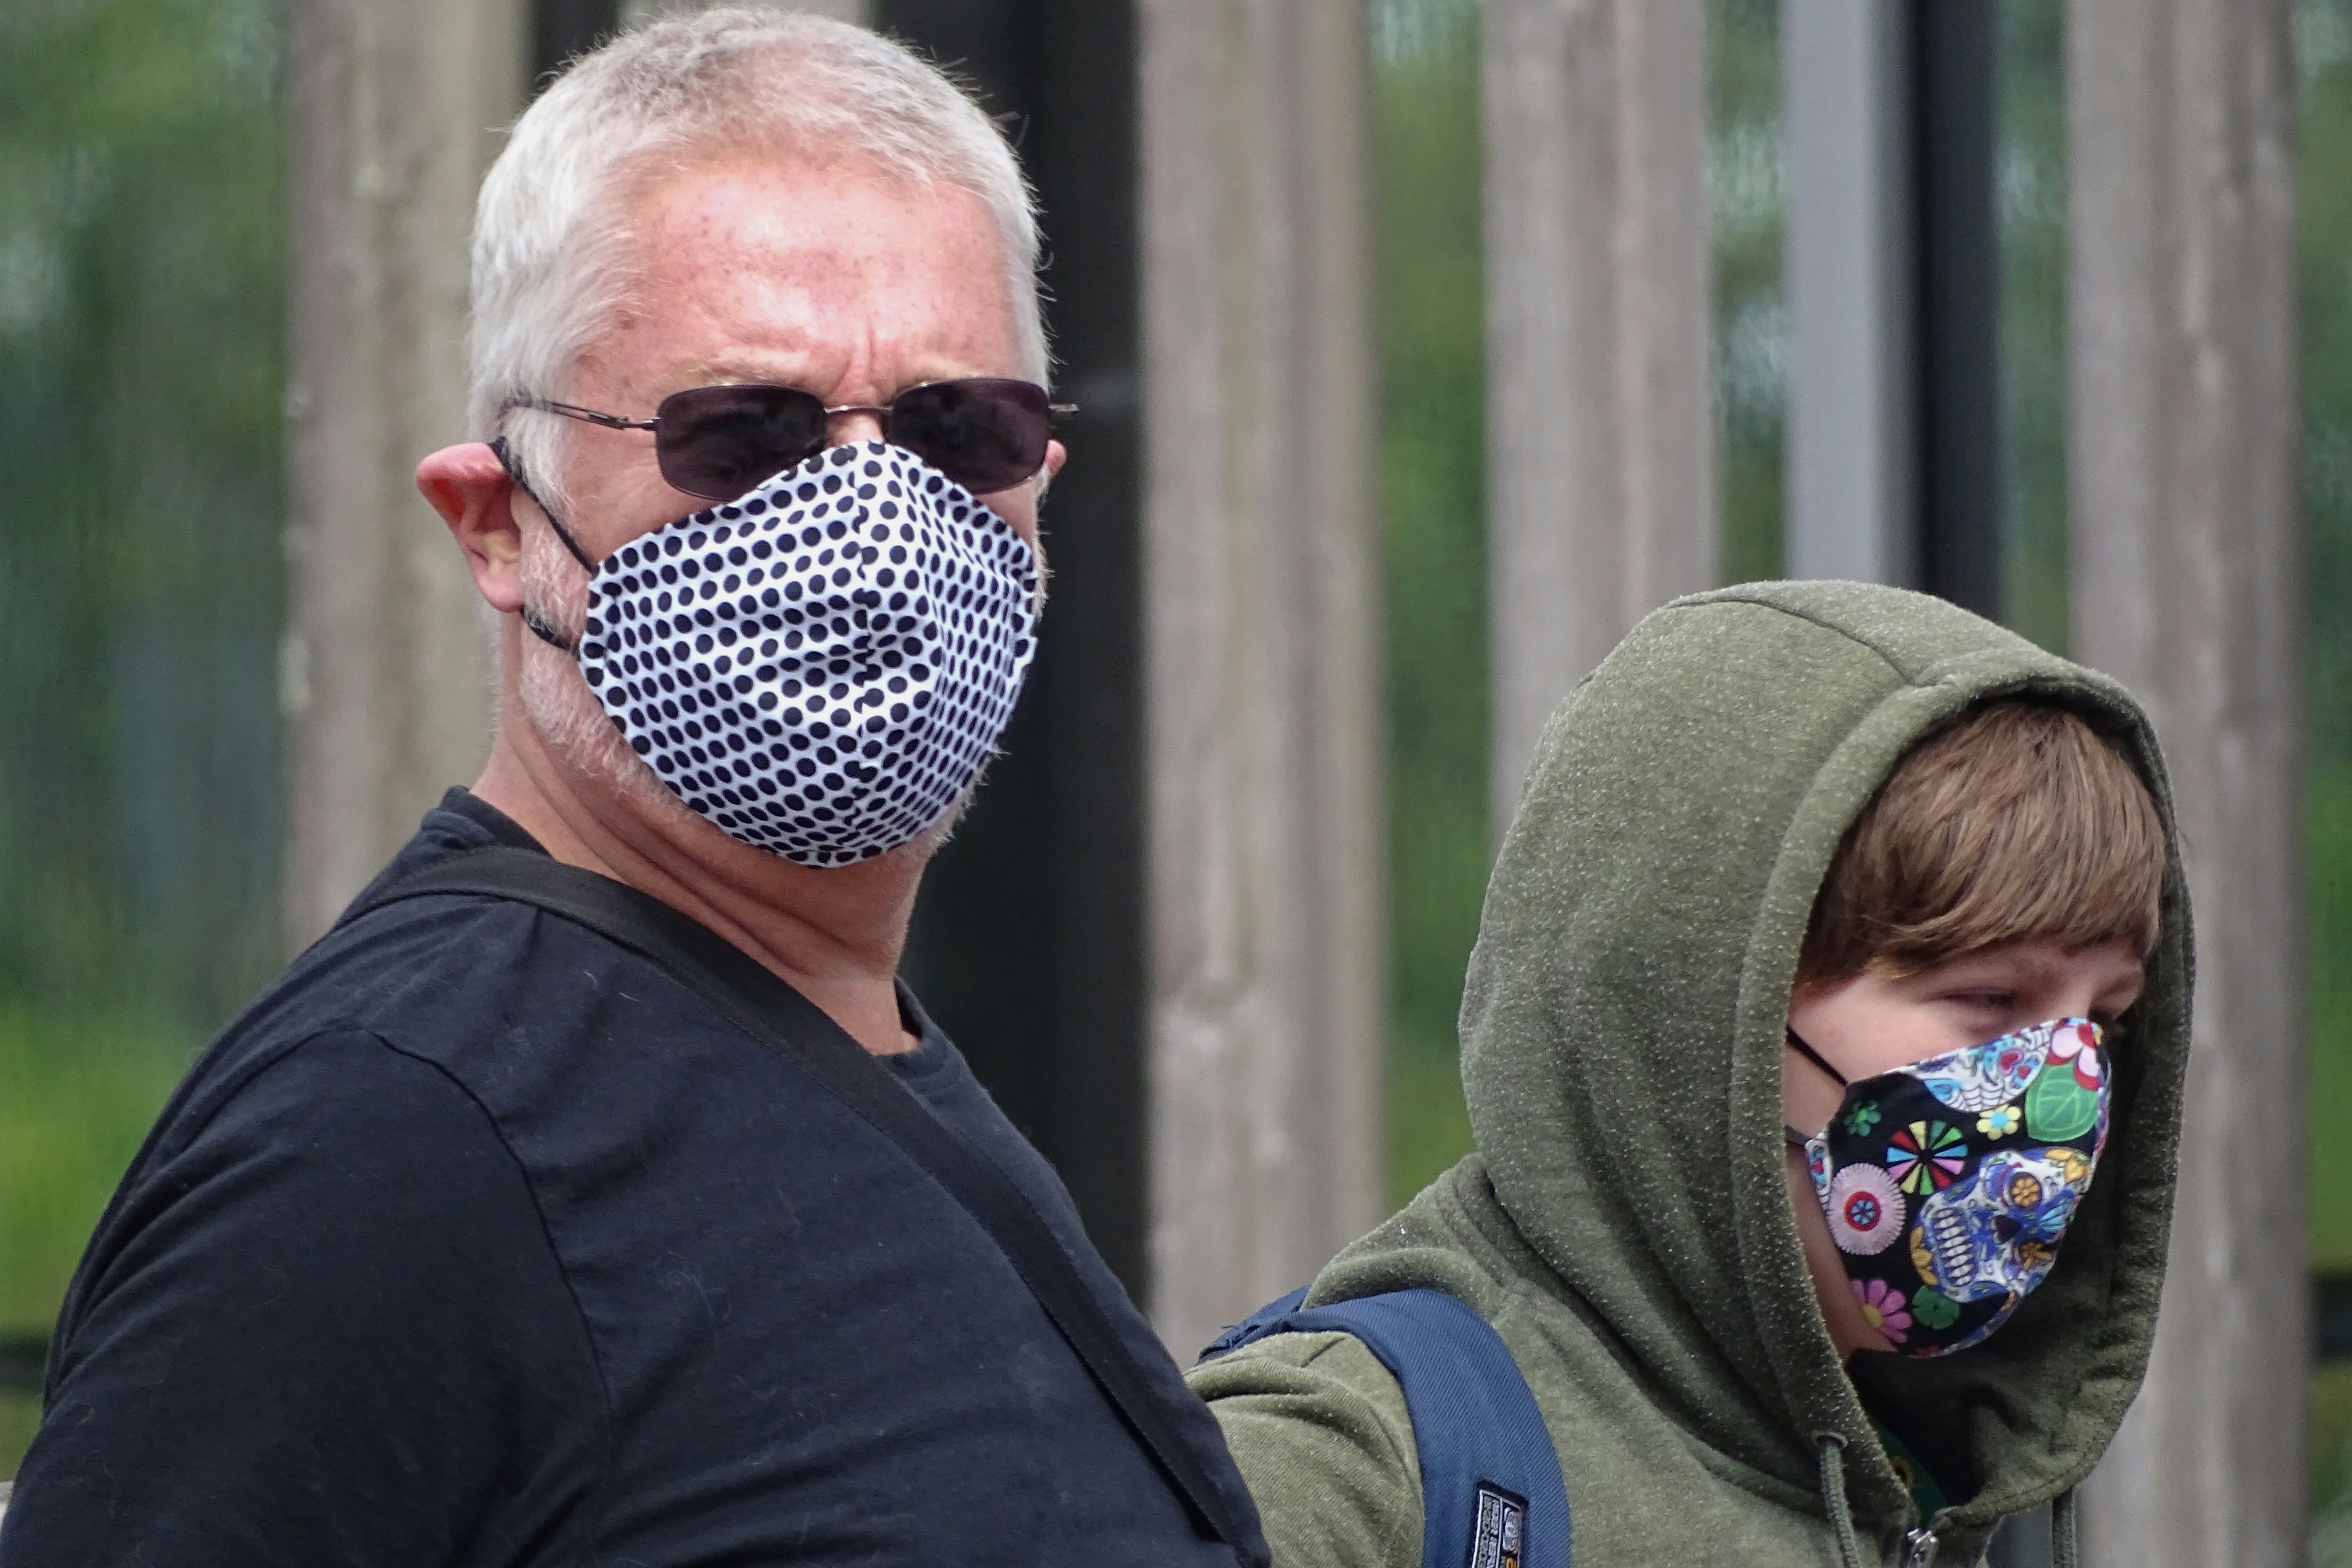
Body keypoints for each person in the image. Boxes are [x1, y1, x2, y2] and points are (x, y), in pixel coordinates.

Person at [0, 14, 1264, 1568]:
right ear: (496, 522)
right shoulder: (386, 1144)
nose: (873, 515)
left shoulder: (846, 1041)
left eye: (958, 428)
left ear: (1039, 475)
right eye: (742, 433)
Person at [1188, 580, 2189, 1568]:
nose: (2069, 1088)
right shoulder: (1344, 1467)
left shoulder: (1909, 1488)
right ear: (1706, 1001)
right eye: (1989, 999)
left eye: (2104, 1018)